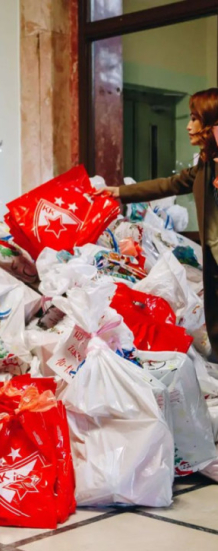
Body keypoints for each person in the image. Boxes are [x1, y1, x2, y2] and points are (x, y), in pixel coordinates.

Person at [102, 87, 218, 356]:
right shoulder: (205, 165)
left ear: (211, 123)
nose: (188, 126)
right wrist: (118, 192)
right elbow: (171, 184)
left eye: (194, 119)